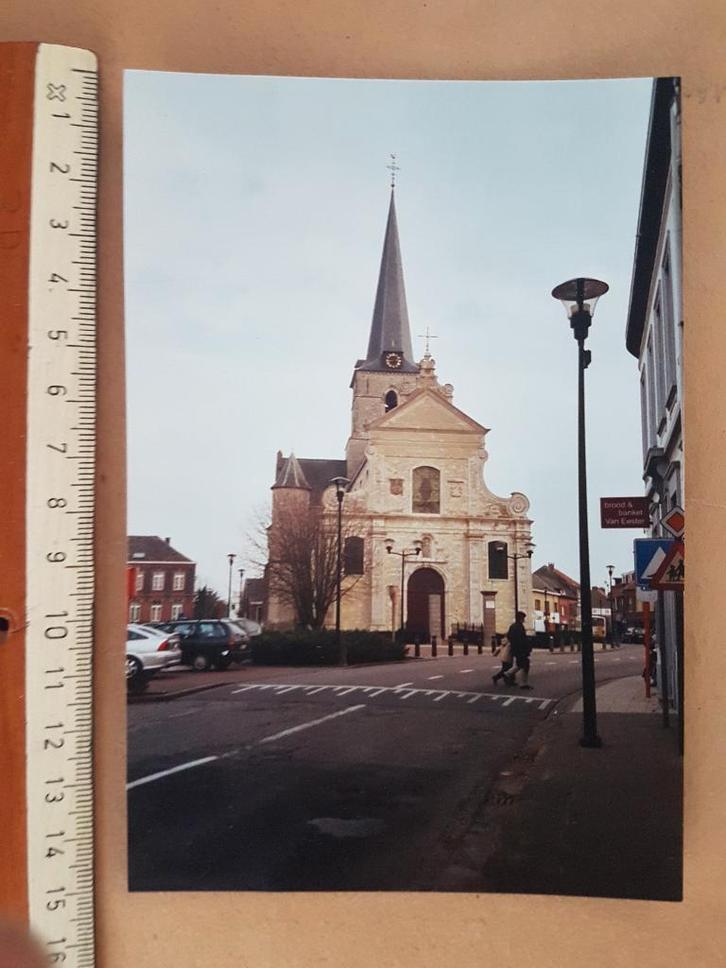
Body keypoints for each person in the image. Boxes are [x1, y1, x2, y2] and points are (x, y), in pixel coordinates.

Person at [504, 611, 533, 689]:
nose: (524, 620)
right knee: (525, 664)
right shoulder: (519, 627)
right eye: (523, 618)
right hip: (520, 649)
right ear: (520, 618)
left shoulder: (513, 626)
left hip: (516, 649)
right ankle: (522, 683)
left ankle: (508, 674)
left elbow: (509, 636)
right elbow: (522, 639)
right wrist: (526, 648)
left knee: (521, 664)